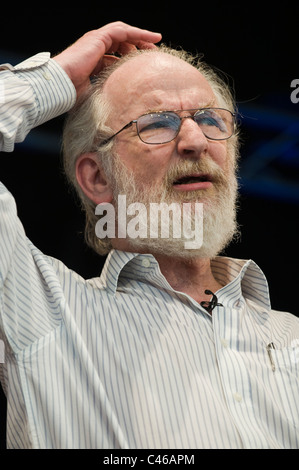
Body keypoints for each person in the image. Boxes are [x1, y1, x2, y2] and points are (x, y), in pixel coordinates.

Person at [0, 21, 298, 449]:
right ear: (98, 178)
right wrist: (58, 78)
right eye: (157, 124)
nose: (195, 140)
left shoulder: (292, 338)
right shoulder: (44, 311)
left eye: (211, 119)